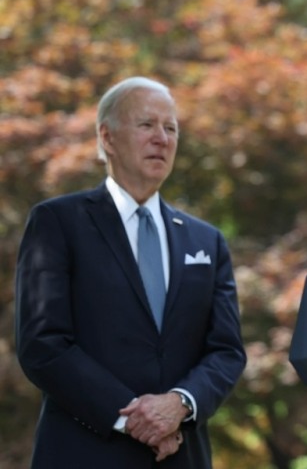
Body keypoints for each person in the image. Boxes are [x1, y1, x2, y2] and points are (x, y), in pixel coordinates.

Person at [15, 77, 247, 468]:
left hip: (180, 454)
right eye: (147, 125)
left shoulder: (207, 241)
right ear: (107, 137)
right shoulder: (58, 222)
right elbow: (43, 343)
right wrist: (133, 419)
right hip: (83, 452)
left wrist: (180, 404)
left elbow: (226, 350)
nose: (162, 138)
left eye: (171, 128)